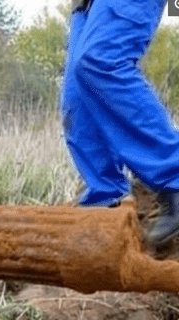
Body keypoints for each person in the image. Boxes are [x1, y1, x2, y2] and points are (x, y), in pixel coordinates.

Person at [61, 0, 179, 245]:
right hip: (85, 5)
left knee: (102, 60)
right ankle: (105, 200)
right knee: (77, 99)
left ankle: (174, 178)